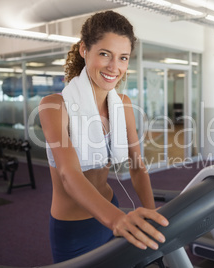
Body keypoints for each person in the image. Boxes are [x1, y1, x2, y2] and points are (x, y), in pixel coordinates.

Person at [39, 10, 168, 263]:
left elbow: (137, 165)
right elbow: (68, 174)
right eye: (105, 54)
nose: (114, 67)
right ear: (84, 50)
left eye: (123, 58)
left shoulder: (123, 104)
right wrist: (116, 219)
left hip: (112, 205)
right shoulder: (54, 106)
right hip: (75, 227)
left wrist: (151, 213)